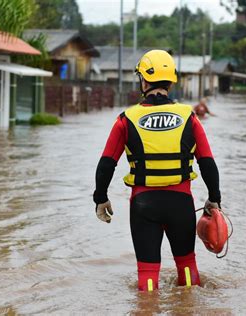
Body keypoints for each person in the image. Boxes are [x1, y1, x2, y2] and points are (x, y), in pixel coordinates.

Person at [93, 50, 222, 291]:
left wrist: (100, 197)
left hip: (143, 205)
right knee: (187, 268)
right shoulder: (189, 117)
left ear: (143, 80)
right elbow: (207, 162)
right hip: (181, 204)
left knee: (148, 273)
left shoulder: (126, 119)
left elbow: (106, 163)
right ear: (171, 81)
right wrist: (214, 198)